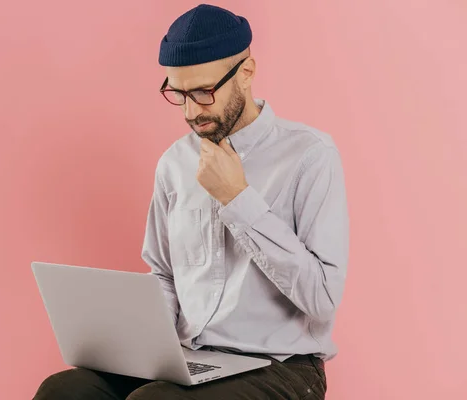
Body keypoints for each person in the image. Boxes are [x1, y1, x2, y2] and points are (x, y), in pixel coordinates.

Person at [33, 4, 349, 399]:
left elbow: (322, 298)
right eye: (178, 93)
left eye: (204, 91)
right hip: (192, 359)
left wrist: (238, 199)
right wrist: (145, 349)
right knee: (65, 390)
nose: (190, 111)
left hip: (281, 366)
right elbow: (163, 275)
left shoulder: (309, 155)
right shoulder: (174, 163)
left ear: (246, 73)